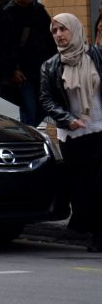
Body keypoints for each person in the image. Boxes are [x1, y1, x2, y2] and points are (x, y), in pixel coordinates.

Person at [39, 13, 102, 252]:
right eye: (54, 31)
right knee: (83, 190)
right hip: (73, 137)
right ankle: (89, 227)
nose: (59, 35)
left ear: (75, 30)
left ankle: (99, 236)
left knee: (100, 187)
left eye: (63, 29)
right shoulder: (51, 65)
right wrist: (67, 120)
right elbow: (47, 100)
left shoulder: (96, 56)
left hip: (99, 129)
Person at [3, 0, 55, 125]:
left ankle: (29, 134)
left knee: (45, 106)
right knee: (29, 109)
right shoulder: (8, 14)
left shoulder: (39, 10)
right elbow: (6, 46)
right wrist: (12, 69)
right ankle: (29, 139)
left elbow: (50, 39)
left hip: (43, 67)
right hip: (23, 71)